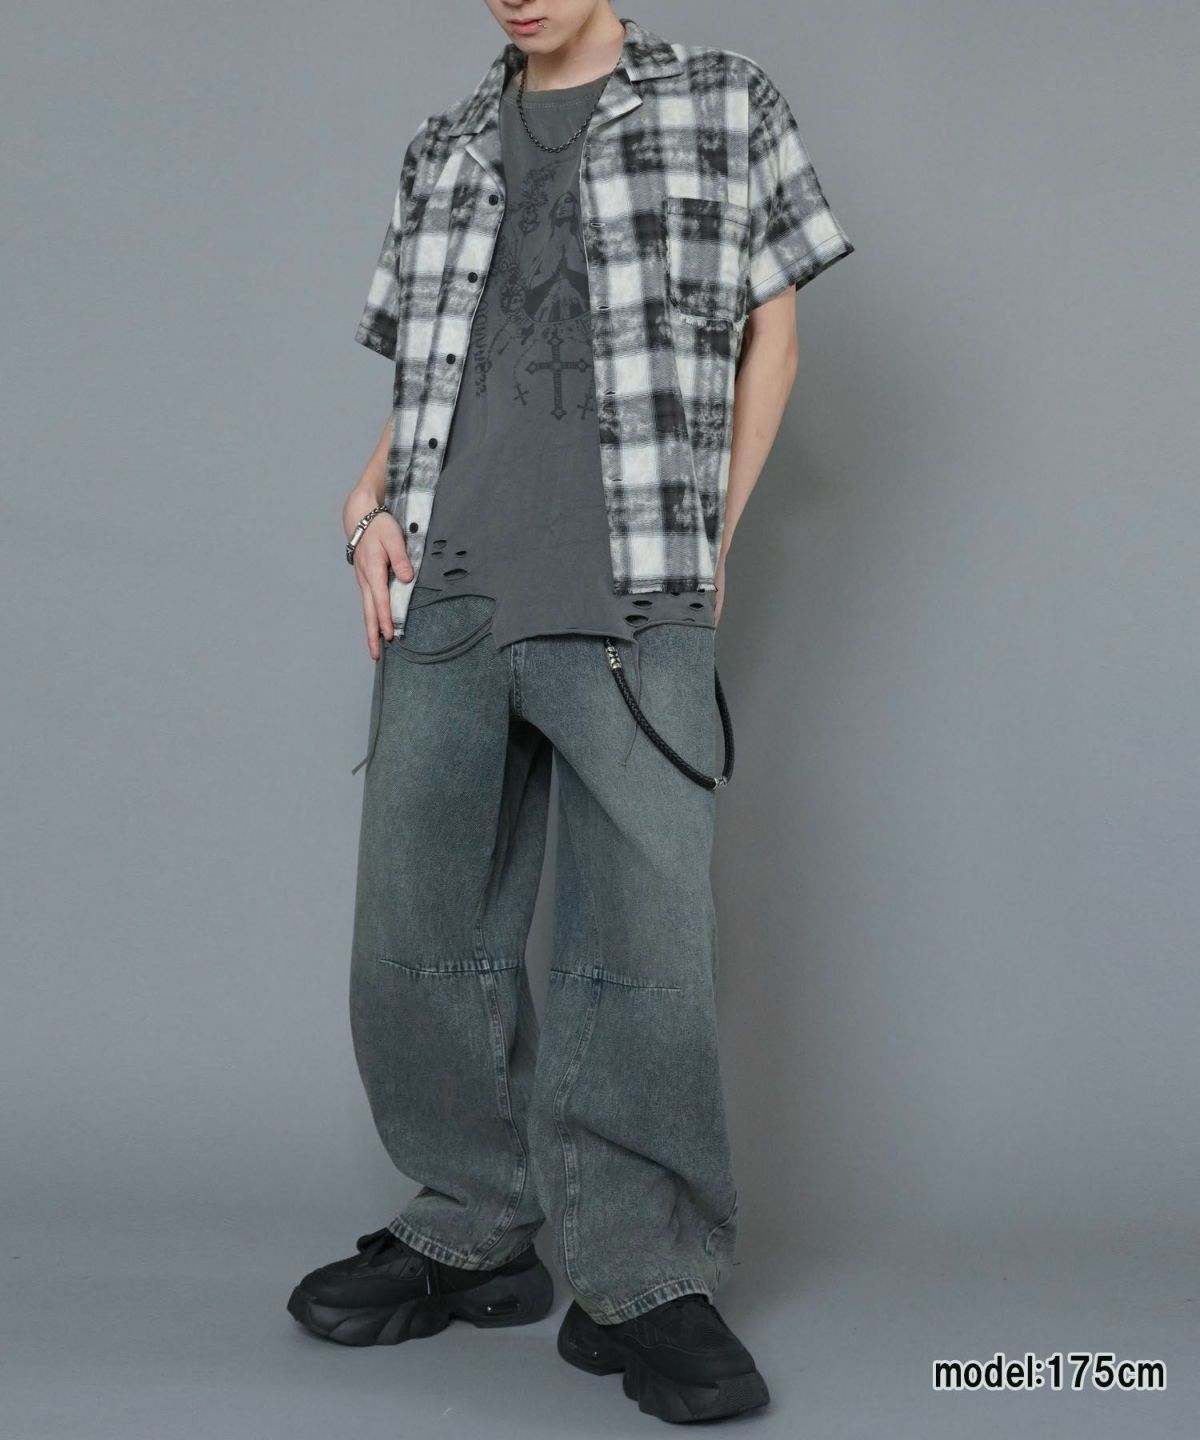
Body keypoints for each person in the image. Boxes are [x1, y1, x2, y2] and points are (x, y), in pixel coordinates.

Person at [287, 2, 854, 1424]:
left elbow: (774, 336)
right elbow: (435, 365)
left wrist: (712, 542)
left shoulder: (724, 99)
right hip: (447, 592)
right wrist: (363, 499)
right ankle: (470, 1227)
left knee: (640, 953)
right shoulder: (445, 145)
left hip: (634, 592)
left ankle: (642, 1275)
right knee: (416, 936)